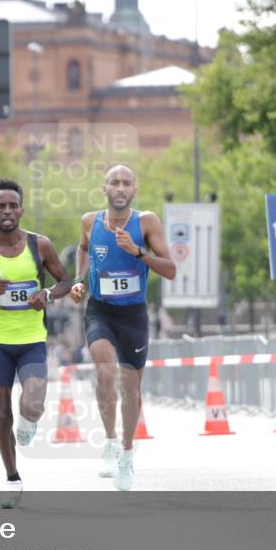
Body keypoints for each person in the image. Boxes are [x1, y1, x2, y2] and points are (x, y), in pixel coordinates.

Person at [0, 177, 71, 507]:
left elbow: (65, 281)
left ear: (21, 210)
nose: (7, 211)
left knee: (33, 405)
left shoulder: (41, 246)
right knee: (0, 416)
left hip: (32, 339)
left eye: (13, 206)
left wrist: (47, 293)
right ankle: (12, 477)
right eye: (1, 206)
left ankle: (29, 424)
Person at [69, 165, 176, 491]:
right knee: (104, 369)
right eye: (114, 182)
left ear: (134, 190)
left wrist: (138, 252)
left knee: (131, 388)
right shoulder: (90, 221)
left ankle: (127, 454)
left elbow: (170, 270)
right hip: (99, 310)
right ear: (104, 188)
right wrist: (79, 280)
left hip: (133, 315)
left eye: (126, 183)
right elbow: (83, 248)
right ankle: (111, 442)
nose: (120, 188)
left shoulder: (147, 222)